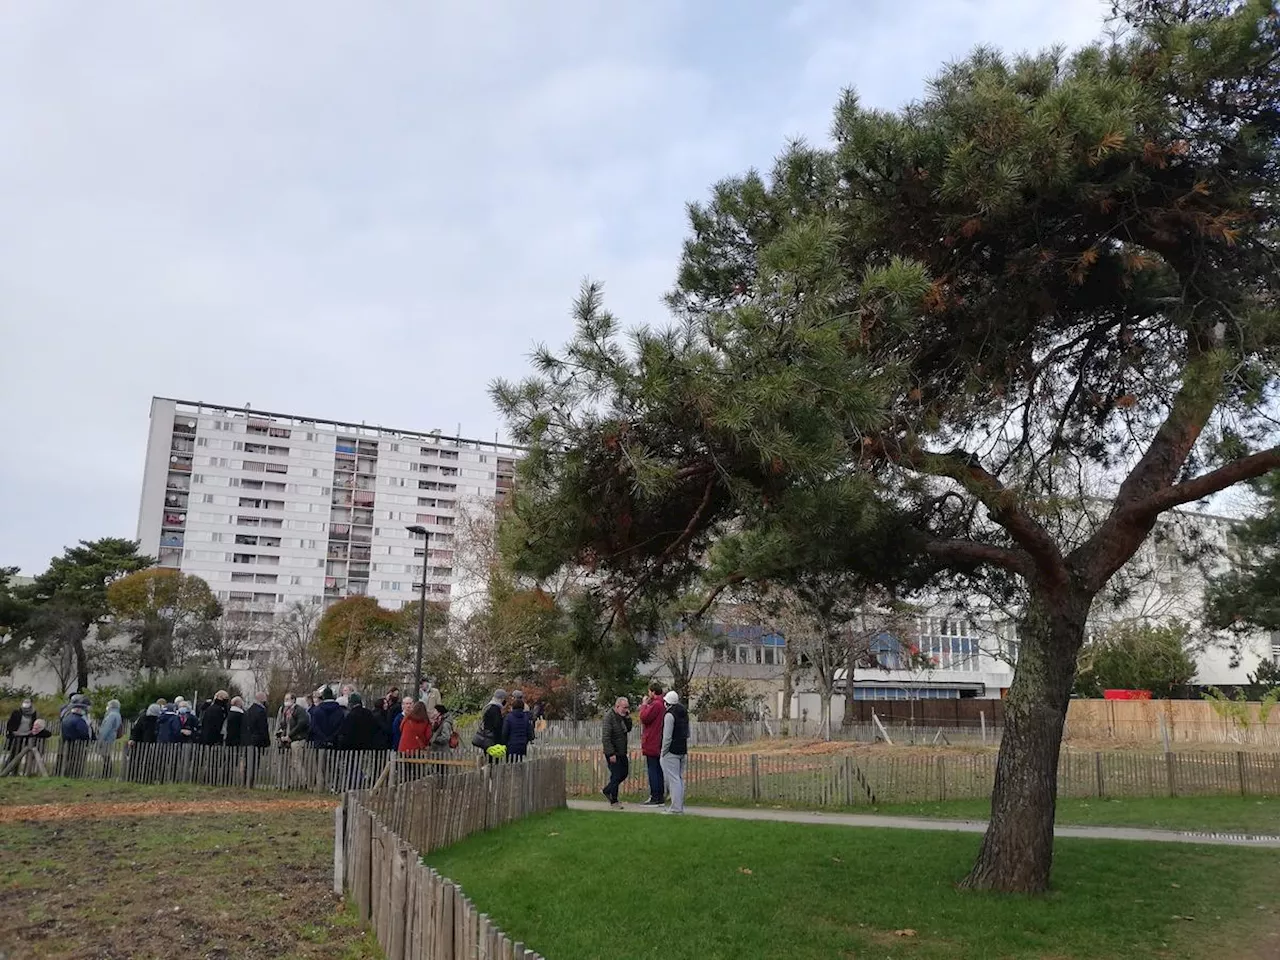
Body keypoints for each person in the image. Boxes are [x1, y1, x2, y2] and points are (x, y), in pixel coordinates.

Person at [660, 690, 689, 815]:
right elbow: (688, 733)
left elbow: (667, 737)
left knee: (673, 779)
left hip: (671, 750)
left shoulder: (669, 715)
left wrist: (663, 752)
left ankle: (676, 808)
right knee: (679, 778)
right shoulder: (683, 713)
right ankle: (679, 806)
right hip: (682, 749)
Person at [639, 681, 667, 806]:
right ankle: (660, 796)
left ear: (653, 692)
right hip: (658, 740)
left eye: (649, 692)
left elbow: (644, 717)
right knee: (658, 769)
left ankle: (655, 796)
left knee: (653, 769)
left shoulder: (656, 705)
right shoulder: (662, 704)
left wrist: (644, 705)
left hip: (652, 741)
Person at [601, 696, 632, 807]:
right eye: (624, 707)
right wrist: (610, 754)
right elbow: (606, 737)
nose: (626, 710)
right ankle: (614, 799)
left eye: (627, 707)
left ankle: (607, 790)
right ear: (617, 706)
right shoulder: (609, 717)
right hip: (613, 751)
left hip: (622, 750)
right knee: (616, 774)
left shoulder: (622, 717)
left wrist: (628, 717)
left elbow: (628, 728)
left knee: (623, 773)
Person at [58, 697, 93, 778]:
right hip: (78, 743)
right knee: (77, 760)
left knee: (68, 759)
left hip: (67, 741)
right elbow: (84, 732)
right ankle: (76, 775)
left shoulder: (66, 718)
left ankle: (66, 774)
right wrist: (88, 739)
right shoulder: (79, 720)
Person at [501, 690, 534, 762]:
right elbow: (529, 731)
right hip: (523, 744)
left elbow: (505, 732)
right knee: (521, 762)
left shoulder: (509, 717)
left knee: (511, 763)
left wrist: (504, 742)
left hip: (511, 744)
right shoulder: (526, 717)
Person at [5, 699, 38, 764]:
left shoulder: (33, 713)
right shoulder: (16, 713)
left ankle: (21, 770)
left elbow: (33, 723)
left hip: (27, 736)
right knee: (14, 754)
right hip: (17, 736)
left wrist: (32, 731)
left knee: (26, 753)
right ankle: (8, 768)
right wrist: (12, 731)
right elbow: (10, 723)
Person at [477, 689, 506, 755]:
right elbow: (497, 725)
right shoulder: (495, 709)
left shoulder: (488, 707)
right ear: (501, 698)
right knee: (493, 759)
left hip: (487, 738)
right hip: (492, 739)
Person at [99, 699, 123, 774]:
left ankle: (106, 772)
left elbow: (106, 728)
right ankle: (107, 771)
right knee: (107, 755)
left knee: (105, 755)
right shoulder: (117, 714)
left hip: (107, 737)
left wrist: (100, 739)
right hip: (112, 736)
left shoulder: (111, 715)